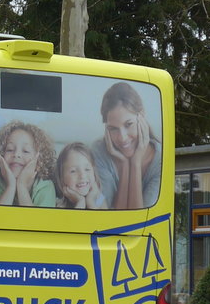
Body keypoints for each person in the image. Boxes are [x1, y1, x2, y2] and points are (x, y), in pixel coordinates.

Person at [92, 81, 161, 210]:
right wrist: (124, 166)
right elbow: (102, 205)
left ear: (142, 116)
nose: (122, 138)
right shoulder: (99, 151)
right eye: (113, 129)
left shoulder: (160, 160)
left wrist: (135, 163)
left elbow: (139, 219)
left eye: (128, 124)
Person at [0, 120, 57, 207]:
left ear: (39, 160)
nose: (16, 155)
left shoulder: (45, 187)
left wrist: (21, 186)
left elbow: (35, 221)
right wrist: (11, 186)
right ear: (1, 155)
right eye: (10, 149)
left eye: (26, 151)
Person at [55, 142, 106, 209]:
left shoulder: (99, 198)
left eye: (87, 169)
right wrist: (80, 203)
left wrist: (90, 202)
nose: (82, 176)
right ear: (62, 177)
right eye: (73, 171)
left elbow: (104, 219)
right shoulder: (59, 204)